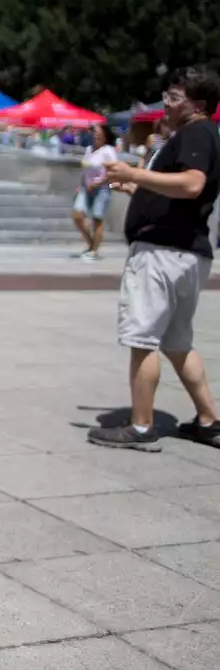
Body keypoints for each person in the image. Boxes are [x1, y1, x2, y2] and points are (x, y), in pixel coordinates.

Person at [88, 67, 220, 451]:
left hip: (162, 253)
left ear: (198, 105)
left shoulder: (195, 132)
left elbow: (192, 184)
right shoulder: (198, 135)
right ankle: (210, 422)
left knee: (142, 338)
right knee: (178, 343)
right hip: (186, 253)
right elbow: (178, 192)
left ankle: (141, 427)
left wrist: (135, 173)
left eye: (175, 97)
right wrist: (133, 185)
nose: (167, 102)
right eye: (167, 94)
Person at [72, 124, 120, 260]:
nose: (96, 136)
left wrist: (99, 182)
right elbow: (85, 170)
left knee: (97, 219)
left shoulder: (108, 151)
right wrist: (80, 184)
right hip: (86, 188)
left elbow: (113, 171)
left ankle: (94, 250)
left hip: (102, 189)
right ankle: (91, 244)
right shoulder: (89, 149)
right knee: (77, 215)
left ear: (105, 136)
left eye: (99, 133)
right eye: (94, 133)